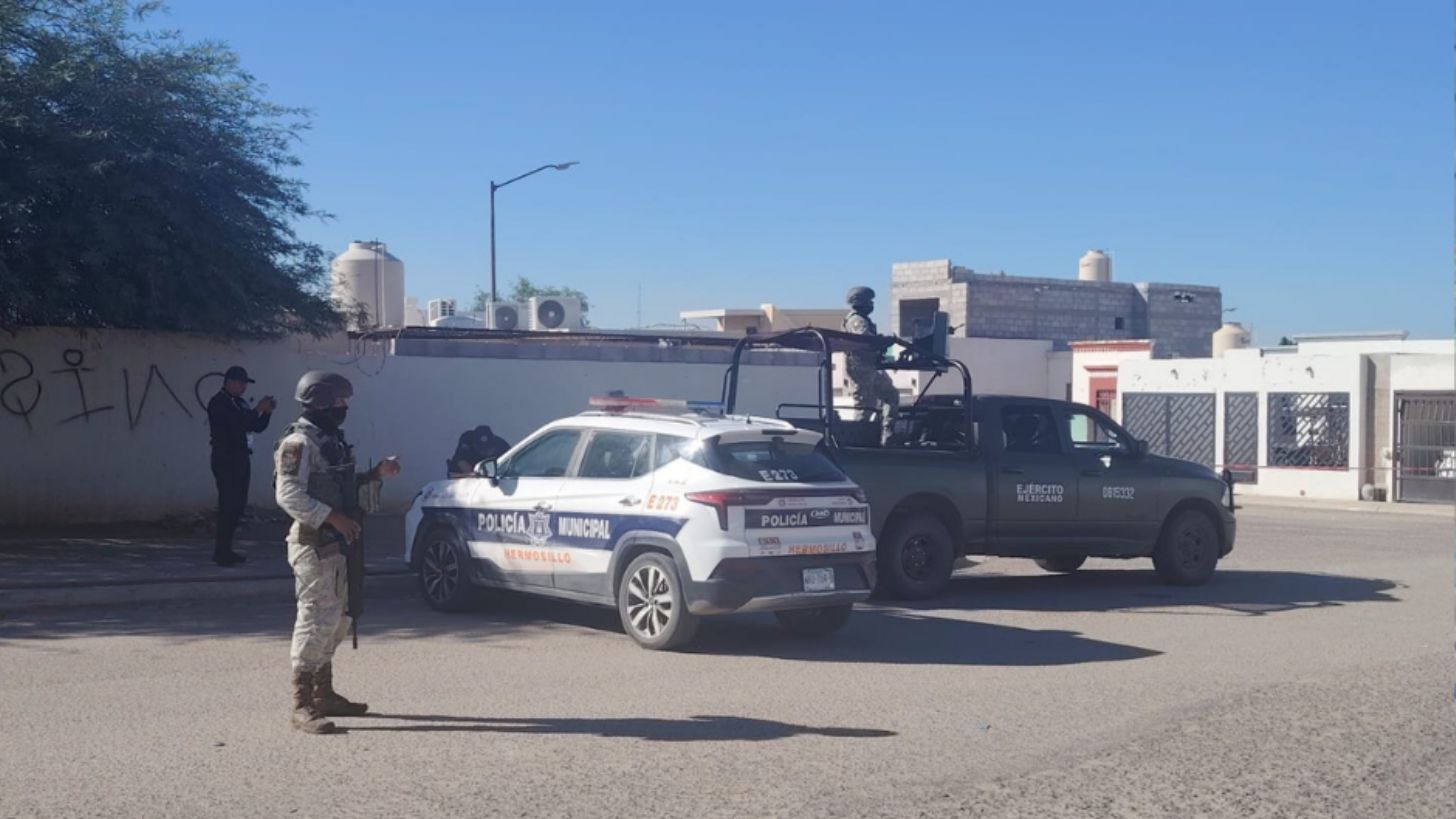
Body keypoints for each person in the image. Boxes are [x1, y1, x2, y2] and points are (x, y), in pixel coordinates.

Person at [274, 371, 401, 735]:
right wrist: (332, 517)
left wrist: (375, 474)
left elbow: (340, 485)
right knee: (316, 619)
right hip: (314, 544)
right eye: (339, 401)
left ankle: (324, 692)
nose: (344, 407)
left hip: (342, 544)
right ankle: (302, 704)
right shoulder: (298, 443)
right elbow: (288, 494)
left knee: (340, 618)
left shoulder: (330, 441)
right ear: (320, 402)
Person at [206, 365, 275, 567]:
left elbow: (254, 426)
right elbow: (235, 425)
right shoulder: (219, 403)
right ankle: (221, 551)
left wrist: (266, 413)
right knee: (228, 504)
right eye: (240, 383)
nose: (243, 387)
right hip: (226, 458)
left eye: (245, 384)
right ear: (229, 382)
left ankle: (227, 548)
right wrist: (257, 409)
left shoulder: (240, 403)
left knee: (237, 505)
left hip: (241, 457)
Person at [841, 286, 900, 420]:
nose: (871, 305)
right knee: (865, 406)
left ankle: (885, 428)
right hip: (860, 368)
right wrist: (883, 340)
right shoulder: (856, 320)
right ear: (859, 301)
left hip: (870, 366)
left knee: (891, 395)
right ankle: (860, 432)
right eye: (869, 301)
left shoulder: (863, 319)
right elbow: (865, 339)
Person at [447, 425, 512, 477]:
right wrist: (472, 475)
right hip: (465, 476)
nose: (484, 452)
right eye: (481, 449)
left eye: (487, 449)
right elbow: (461, 460)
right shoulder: (467, 439)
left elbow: (511, 463)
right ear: (473, 444)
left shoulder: (502, 446)